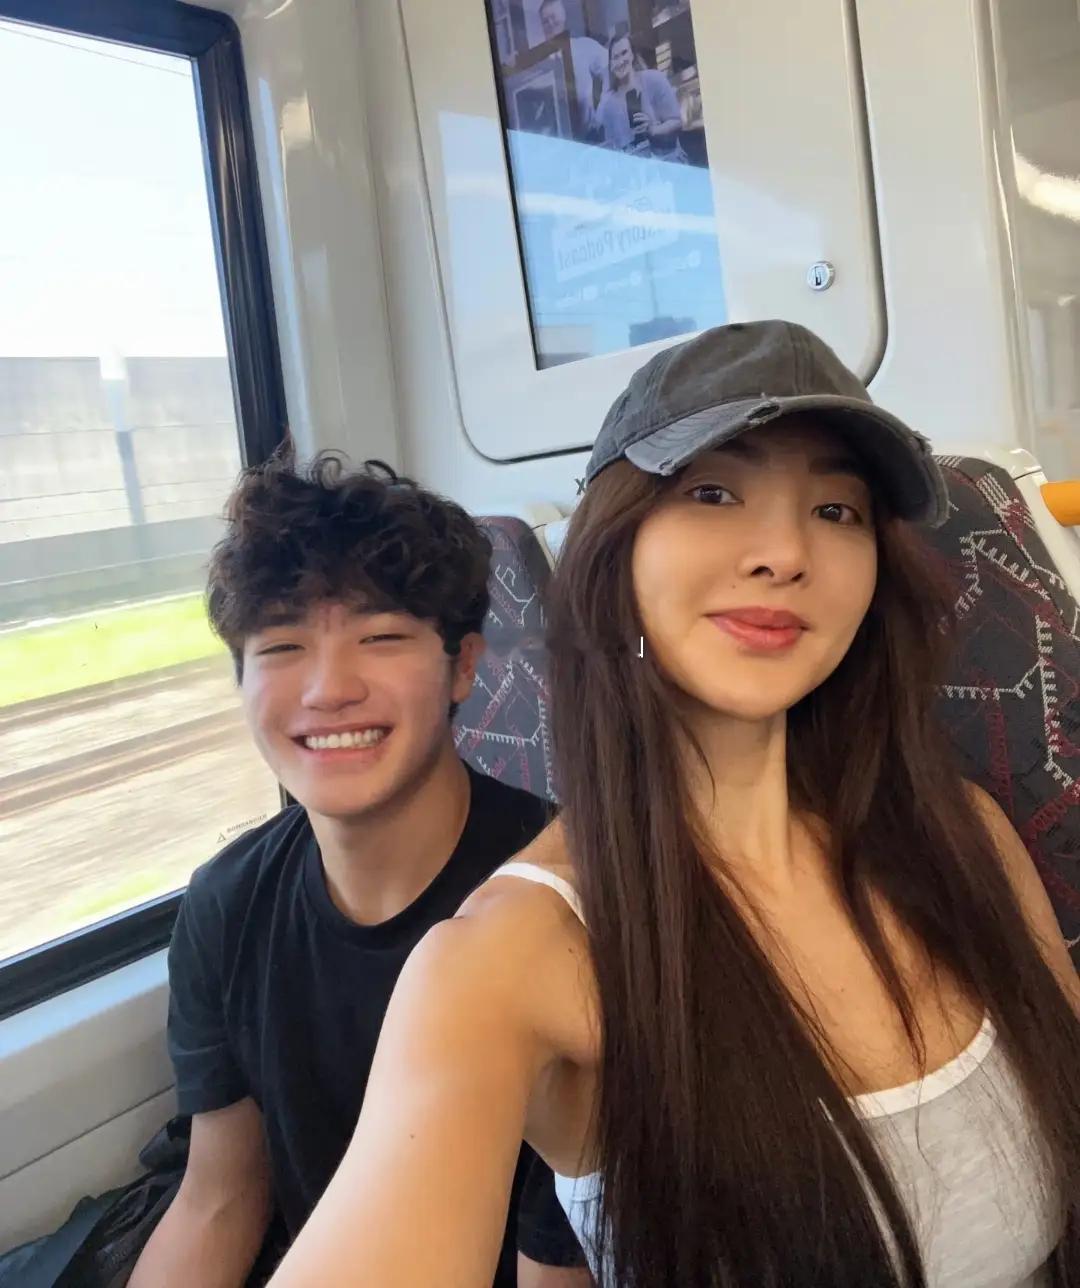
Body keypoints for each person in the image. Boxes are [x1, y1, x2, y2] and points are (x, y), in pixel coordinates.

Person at [266, 323, 1080, 1287]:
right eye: (712, 493)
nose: (785, 552)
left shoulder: (962, 835)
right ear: (615, 552)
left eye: (836, 510)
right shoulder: (506, 961)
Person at [129, 454, 589, 1287]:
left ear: (462, 666)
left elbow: (559, 1264)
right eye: (282, 646)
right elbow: (220, 1198)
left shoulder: (564, 907)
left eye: (381, 638)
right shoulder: (226, 902)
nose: (328, 689)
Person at [596, 24, 683, 156]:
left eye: (624, 53)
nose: (620, 61)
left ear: (632, 55)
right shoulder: (609, 104)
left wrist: (653, 129)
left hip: (667, 160)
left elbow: (677, 121)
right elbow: (611, 147)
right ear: (610, 64)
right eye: (615, 57)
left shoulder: (654, 80)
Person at [537, 0, 607, 138]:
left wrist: (603, 107)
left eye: (553, 17)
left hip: (591, 133)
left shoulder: (584, 46)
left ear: (563, 17)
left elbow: (610, 69)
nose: (550, 24)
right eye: (545, 21)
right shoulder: (540, 63)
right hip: (560, 139)